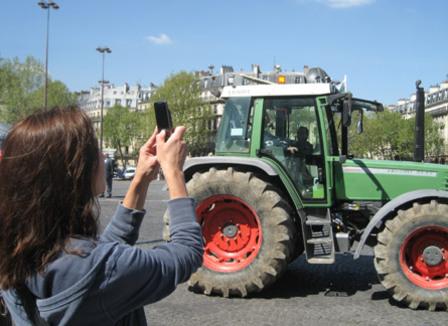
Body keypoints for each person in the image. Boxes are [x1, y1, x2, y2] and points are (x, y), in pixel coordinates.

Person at [0, 107, 203, 325]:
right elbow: (185, 253)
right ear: (73, 169)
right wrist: (174, 171)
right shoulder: (95, 268)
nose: (103, 156)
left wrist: (141, 178)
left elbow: (98, 261)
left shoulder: (27, 245)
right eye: (95, 149)